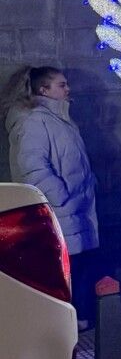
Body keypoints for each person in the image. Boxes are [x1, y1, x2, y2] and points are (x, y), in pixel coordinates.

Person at [4, 66, 102, 329]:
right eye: (61, 84)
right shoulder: (35, 121)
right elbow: (34, 167)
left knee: (79, 267)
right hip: (63, 209)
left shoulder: (59, 118)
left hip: (75, 209)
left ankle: (78, 321)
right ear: (43, 90)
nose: (67, 89)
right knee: (67, 269)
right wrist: (61, 198)